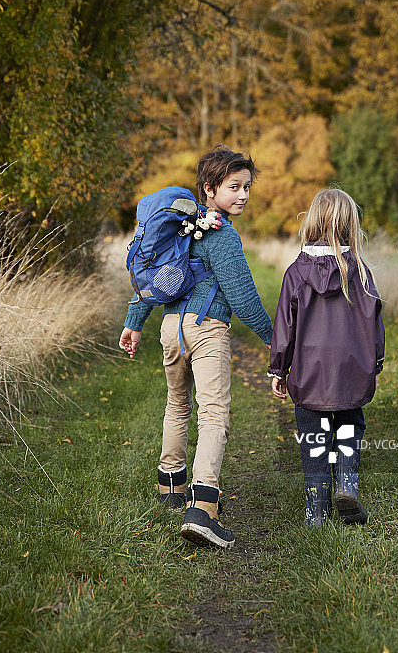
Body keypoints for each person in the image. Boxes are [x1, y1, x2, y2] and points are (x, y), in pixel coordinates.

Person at [119, 145, 273, 548]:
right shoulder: (220, 234)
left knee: (177, 404)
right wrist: (278, 341)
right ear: (209, 188)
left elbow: (156, 282)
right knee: (214, 412)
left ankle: (170, 487)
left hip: (171, 327)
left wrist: (133, 324)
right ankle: (203, 508)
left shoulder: (182, 227)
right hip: (206, 329)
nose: (242, 195)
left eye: (246, 187)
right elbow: (242, 298)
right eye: (234, 186)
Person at [268, 188, 385, 528]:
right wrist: (375, 364)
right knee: (350, 424)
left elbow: (284, 326)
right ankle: (347, 485)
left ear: (312, 222)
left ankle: (316, 511)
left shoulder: (296, 272)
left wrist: (278, 368)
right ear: (351, 225)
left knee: (314, 436)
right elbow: (374, 323)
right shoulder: (360, 272)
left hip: (308, 374)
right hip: (352, 369)